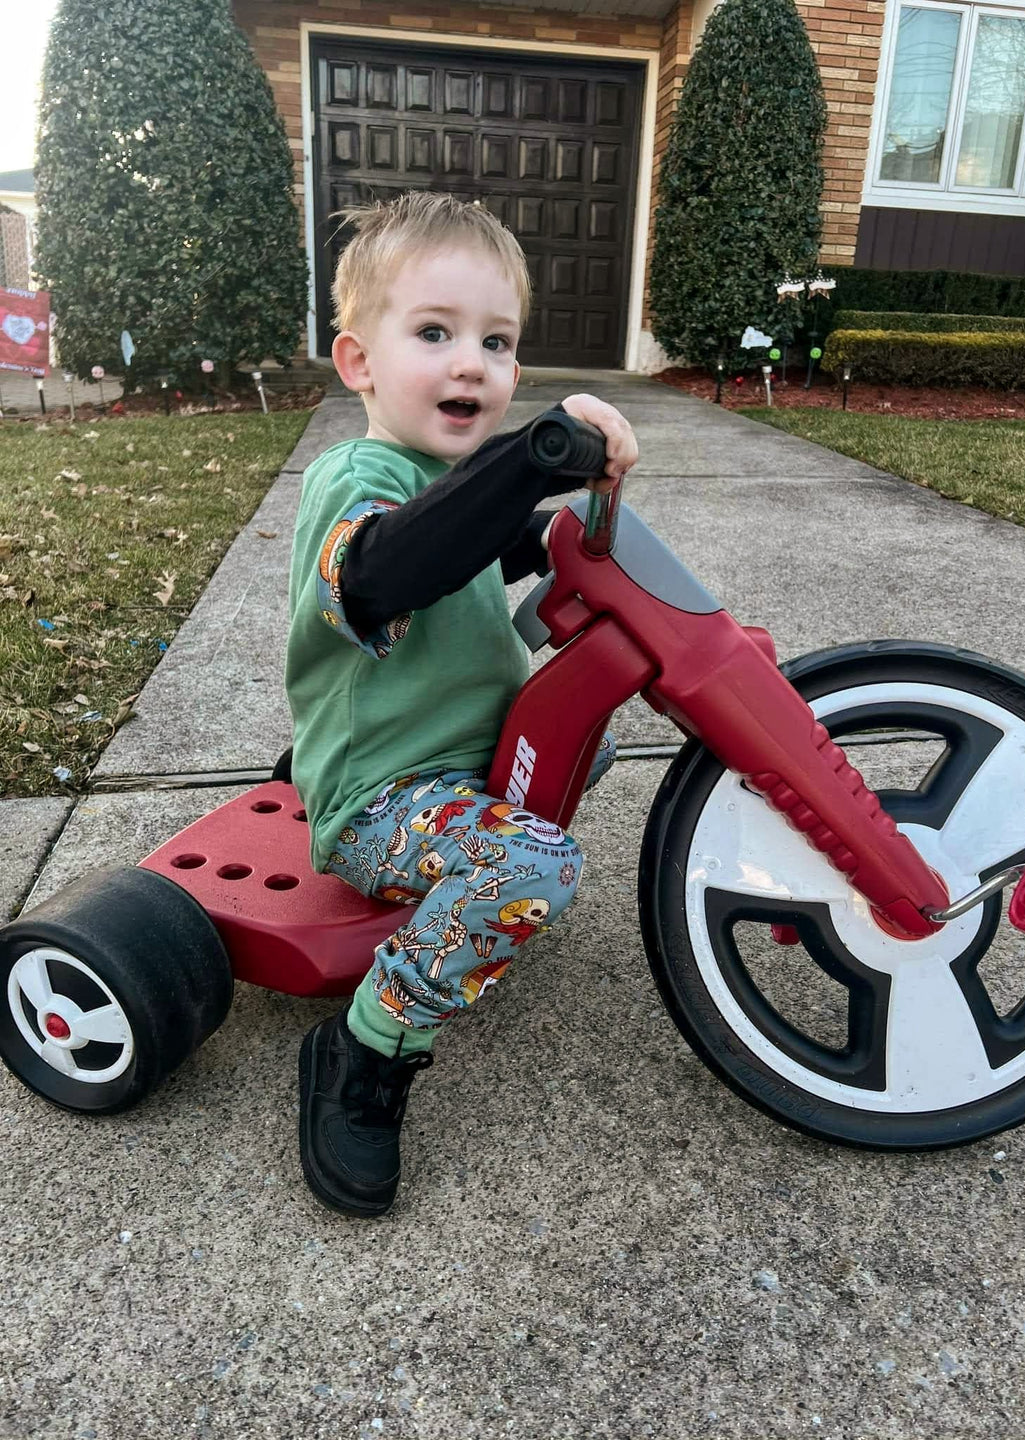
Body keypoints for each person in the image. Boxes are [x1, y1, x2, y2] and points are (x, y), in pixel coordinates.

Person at [286, 191, 638, 1217]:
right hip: (382, 798)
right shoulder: (357, 478)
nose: (469, 363)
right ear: (360, 362)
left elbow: (514, 540)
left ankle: (468, 889)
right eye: (433, 333)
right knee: (537, 860)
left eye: (495, 341)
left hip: (458, 768)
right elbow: (391, 571)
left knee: (589, 730)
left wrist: (586, 506)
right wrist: (526, 458)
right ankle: (369, 1046)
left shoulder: (461, 494)